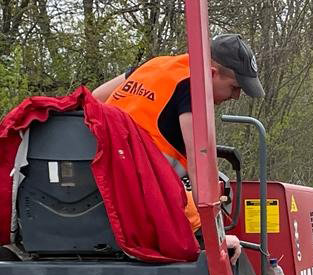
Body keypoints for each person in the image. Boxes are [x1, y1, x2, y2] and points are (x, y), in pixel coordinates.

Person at [93, 34, 264, 261]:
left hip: (99, 189)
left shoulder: (155, 65)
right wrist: (218, 238)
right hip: (140, 199)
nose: (236, 95)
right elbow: (198, 165)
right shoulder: (193, 88)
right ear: (211, 74)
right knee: (226, 252)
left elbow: (96, 98)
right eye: (234, 87)